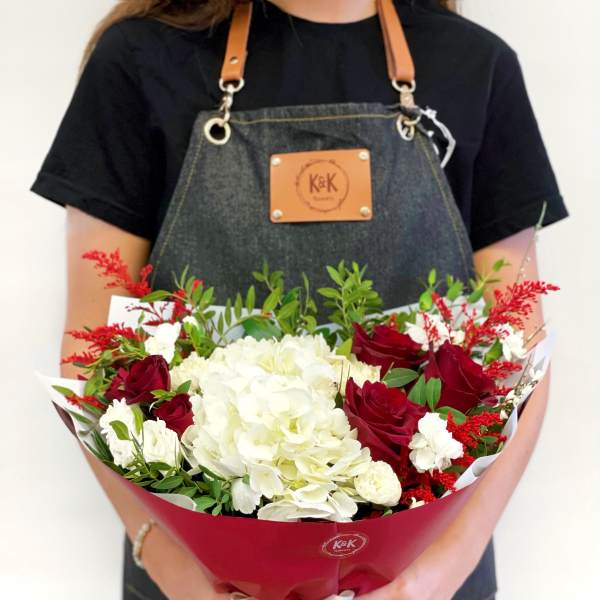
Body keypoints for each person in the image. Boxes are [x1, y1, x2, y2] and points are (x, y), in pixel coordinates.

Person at [31, 1, 567, 599]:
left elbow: (521, 357)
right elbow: (91, 353)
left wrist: (433, 577)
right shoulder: (139, 59)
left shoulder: (475, 65)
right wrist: (171, 566)